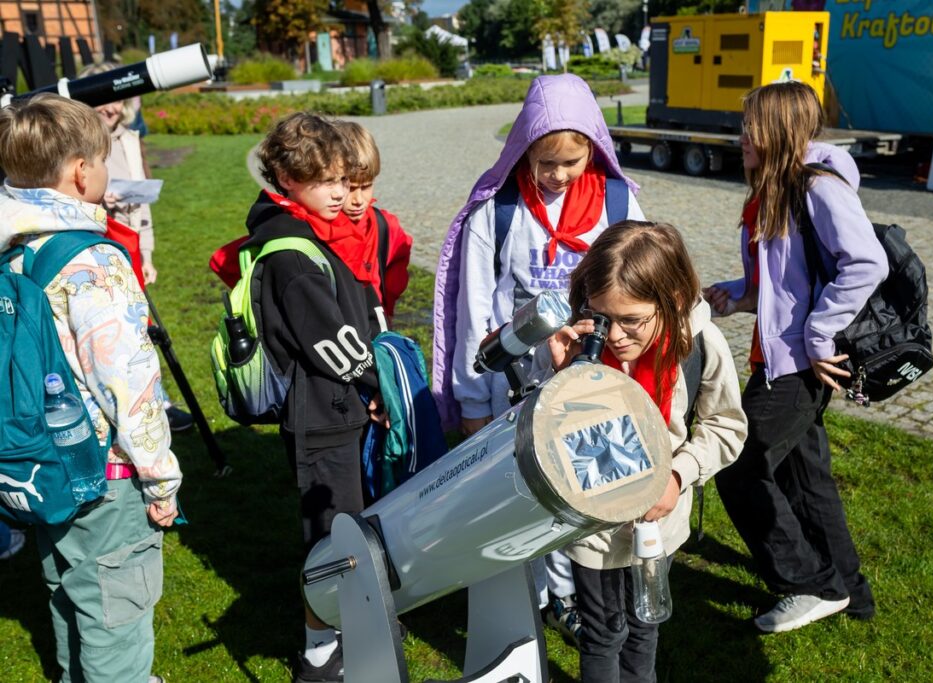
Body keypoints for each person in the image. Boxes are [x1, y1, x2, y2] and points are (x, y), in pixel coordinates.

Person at [432, 73, 646, 643]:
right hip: (515, 385)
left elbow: (644, 284)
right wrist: (473, 399)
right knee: (526, 493)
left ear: (593, 150)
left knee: (588, 485)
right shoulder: (497, 212)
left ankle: (583, 590)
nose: (556, 175)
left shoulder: (618, 203)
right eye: (544, 161)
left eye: (570, 163)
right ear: (522, 146)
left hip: (594, 381)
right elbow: (474, 310)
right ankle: (536, 598)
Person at [0, 93, 181, 682]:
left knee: (66, 594)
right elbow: (128, 385)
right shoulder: (93, 264)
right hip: (105, 475)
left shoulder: (14, 254)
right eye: (104, 161)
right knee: (115, 612)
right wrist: (160, 477)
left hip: (42, 467)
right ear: (83, 173)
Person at [704, 81, 886, 633]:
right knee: (807, 480)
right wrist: (736, 297)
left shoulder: (818, 189)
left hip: (801, 365)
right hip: (778, 357)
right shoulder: (772, 189)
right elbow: (784, 281)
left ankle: (809, 584)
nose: (741, 139)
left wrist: (819, 333)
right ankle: (851, 593)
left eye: (749, 129)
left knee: (737, 462)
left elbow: (866, 263)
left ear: (777, 132)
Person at [540, 221, 747, 682]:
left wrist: (678, 476)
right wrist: (563, 378)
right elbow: (548, 434)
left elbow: (726, 425)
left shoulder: (698, 345)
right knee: (602, 634)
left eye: (631, 320)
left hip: (657, 523)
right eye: (602, 317)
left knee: (643, 624)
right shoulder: (578, 342)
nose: (614, 336)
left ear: (672, 301)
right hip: (592, 526)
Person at [248, 112, 386, 683]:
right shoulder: (288, 250)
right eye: (325, 182)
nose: (339, 193)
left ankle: (348, 629)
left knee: (352, 527)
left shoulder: (310, 232)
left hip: (341, 408)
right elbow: (329, 339)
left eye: (344, 180)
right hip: (321, 415)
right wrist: (377, 384)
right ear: (286, 178)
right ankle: (319, 656)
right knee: (332, 538)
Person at [80, 62, 194, 434]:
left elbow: (143, 202)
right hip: (98, 241)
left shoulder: (129, 137)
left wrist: (147, 254)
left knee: (140, 325)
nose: (111, 108)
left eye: (117, 100)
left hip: (130, 241)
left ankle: (154, 400)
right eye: (104, 100)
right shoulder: (79, 140)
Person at [331, 121, 413, 320]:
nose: (358, 200)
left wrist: (387, 308)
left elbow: (396, 265)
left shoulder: (385, 226)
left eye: (366, 186)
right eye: (350, 188)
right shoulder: (315, 227)